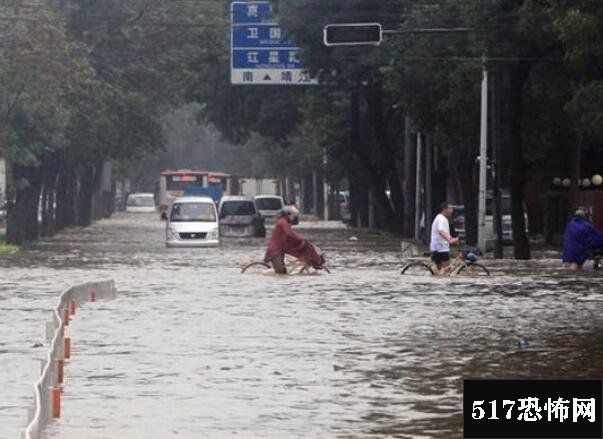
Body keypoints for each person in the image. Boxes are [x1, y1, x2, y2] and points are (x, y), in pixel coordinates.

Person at [264, 206, 325, 274]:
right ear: (288, 214)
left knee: (283, 271)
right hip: (276, 249)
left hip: (281, 247)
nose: (294, 218)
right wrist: (299, 239)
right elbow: (289, 234)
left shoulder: (285, 222)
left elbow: (291, 234)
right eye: (293, 215)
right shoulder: (282, 222)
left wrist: (300, 238)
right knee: (280, 271)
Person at [430, 202, 460, 272]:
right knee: (448, 272)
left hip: (437, 248)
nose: (452, 210)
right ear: (444, 209)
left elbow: (445, 233)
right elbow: (441, 231)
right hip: (441, 248)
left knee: (438, 271)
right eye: (450, 208)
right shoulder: (442, 219)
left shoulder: (441, 218)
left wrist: (453, 239)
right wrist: (450, 240)